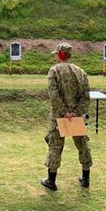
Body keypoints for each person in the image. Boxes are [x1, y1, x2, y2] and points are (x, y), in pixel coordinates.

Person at [41, 43, 93, 191]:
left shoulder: (54, 71)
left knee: (55, 146)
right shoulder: (80, 72)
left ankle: (51, 181)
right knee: (83, 146)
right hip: (77, 117)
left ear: (60, 55)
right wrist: (75, 112)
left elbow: (54, 96)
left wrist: (64, 112)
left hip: (59, 117)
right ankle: (86, 178)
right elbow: (85, 96)